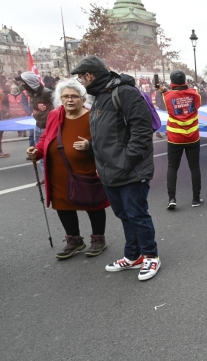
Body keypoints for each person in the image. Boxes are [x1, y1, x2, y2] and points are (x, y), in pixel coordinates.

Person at [71, 55, 160, 281]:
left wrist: (125, 160)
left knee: (137, 214)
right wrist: (92, 148)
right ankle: (133, 255)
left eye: (81, 77)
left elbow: (141, 132)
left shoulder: (124, 93)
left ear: (89, 75)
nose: (81, 81)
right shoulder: (101, 96)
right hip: (110, 170)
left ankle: (151, 255)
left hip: (130, 170)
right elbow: (109, 135)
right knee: (123, 215)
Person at [26, 80, 109, 259]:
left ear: (82, 98)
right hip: (57, 170)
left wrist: (90, 146)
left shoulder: (92, 116)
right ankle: (74, 239)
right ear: (59, 99)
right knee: (63, 205)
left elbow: (107, 143)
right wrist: (37, 152)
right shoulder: (55, 114)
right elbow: (46, 138)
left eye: (73, 96)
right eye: (65, 97)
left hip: (85, 168)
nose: (69, 100)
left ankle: (98, 238)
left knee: (92, 203)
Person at [157, 70, 203, 209]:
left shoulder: (167, 96)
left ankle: (172, 198)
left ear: (171, 82)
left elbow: (168, 95)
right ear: (185, 80)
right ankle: (196, 199)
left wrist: (162, 90)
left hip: (175, 138)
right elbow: (193, 99)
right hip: (193, 136)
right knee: (194, 167)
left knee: (172, 167)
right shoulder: (195, 94)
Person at [18, 71, 54, 177]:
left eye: (23, 82)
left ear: (29, 82)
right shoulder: (31, 93)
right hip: (37, 126)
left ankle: (53, 175)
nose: (22, 85)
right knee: (40, 153)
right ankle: (45, 176)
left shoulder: (47, 92)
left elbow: (57, 105)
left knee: (51, 154)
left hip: (48, 127)